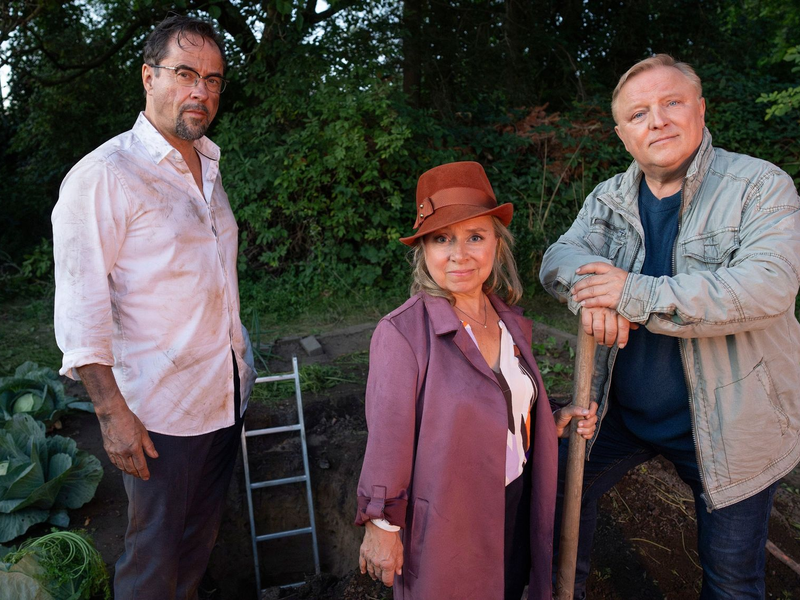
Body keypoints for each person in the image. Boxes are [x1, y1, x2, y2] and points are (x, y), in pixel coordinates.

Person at [539, 54, 800, 599]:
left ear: (700, 111)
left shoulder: (758, 187)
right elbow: (560, 257)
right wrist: (592, 298)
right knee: (555, 494)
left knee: (732, 580)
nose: (656, 120)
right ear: (623, 135)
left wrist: (631, 293)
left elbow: (768, 285)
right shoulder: (608, 198)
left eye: (671, 103)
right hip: (620, 413)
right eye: (638, 113)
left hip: (731, 429)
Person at [51, 15, 256, 600]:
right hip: (158, 416)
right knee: (152, 564)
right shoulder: (105, 177)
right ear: (148, 76)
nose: (202, 92)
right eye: (186, 74)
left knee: (195, 551)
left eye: (214, 80)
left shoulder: (207, 166)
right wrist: (112, 414)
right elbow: (81, 312)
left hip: (221, 396)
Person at [355, 161, 598, 600]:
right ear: (424, 250)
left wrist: (547, 420)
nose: (459, 254)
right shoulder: (402, 335)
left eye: (475, 237)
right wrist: (381, 524)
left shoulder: (509, 323)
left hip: (514, 504)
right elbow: (387, 440)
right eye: (441, 239)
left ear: (497, 247)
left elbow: (498, 401)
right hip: (451, 520)